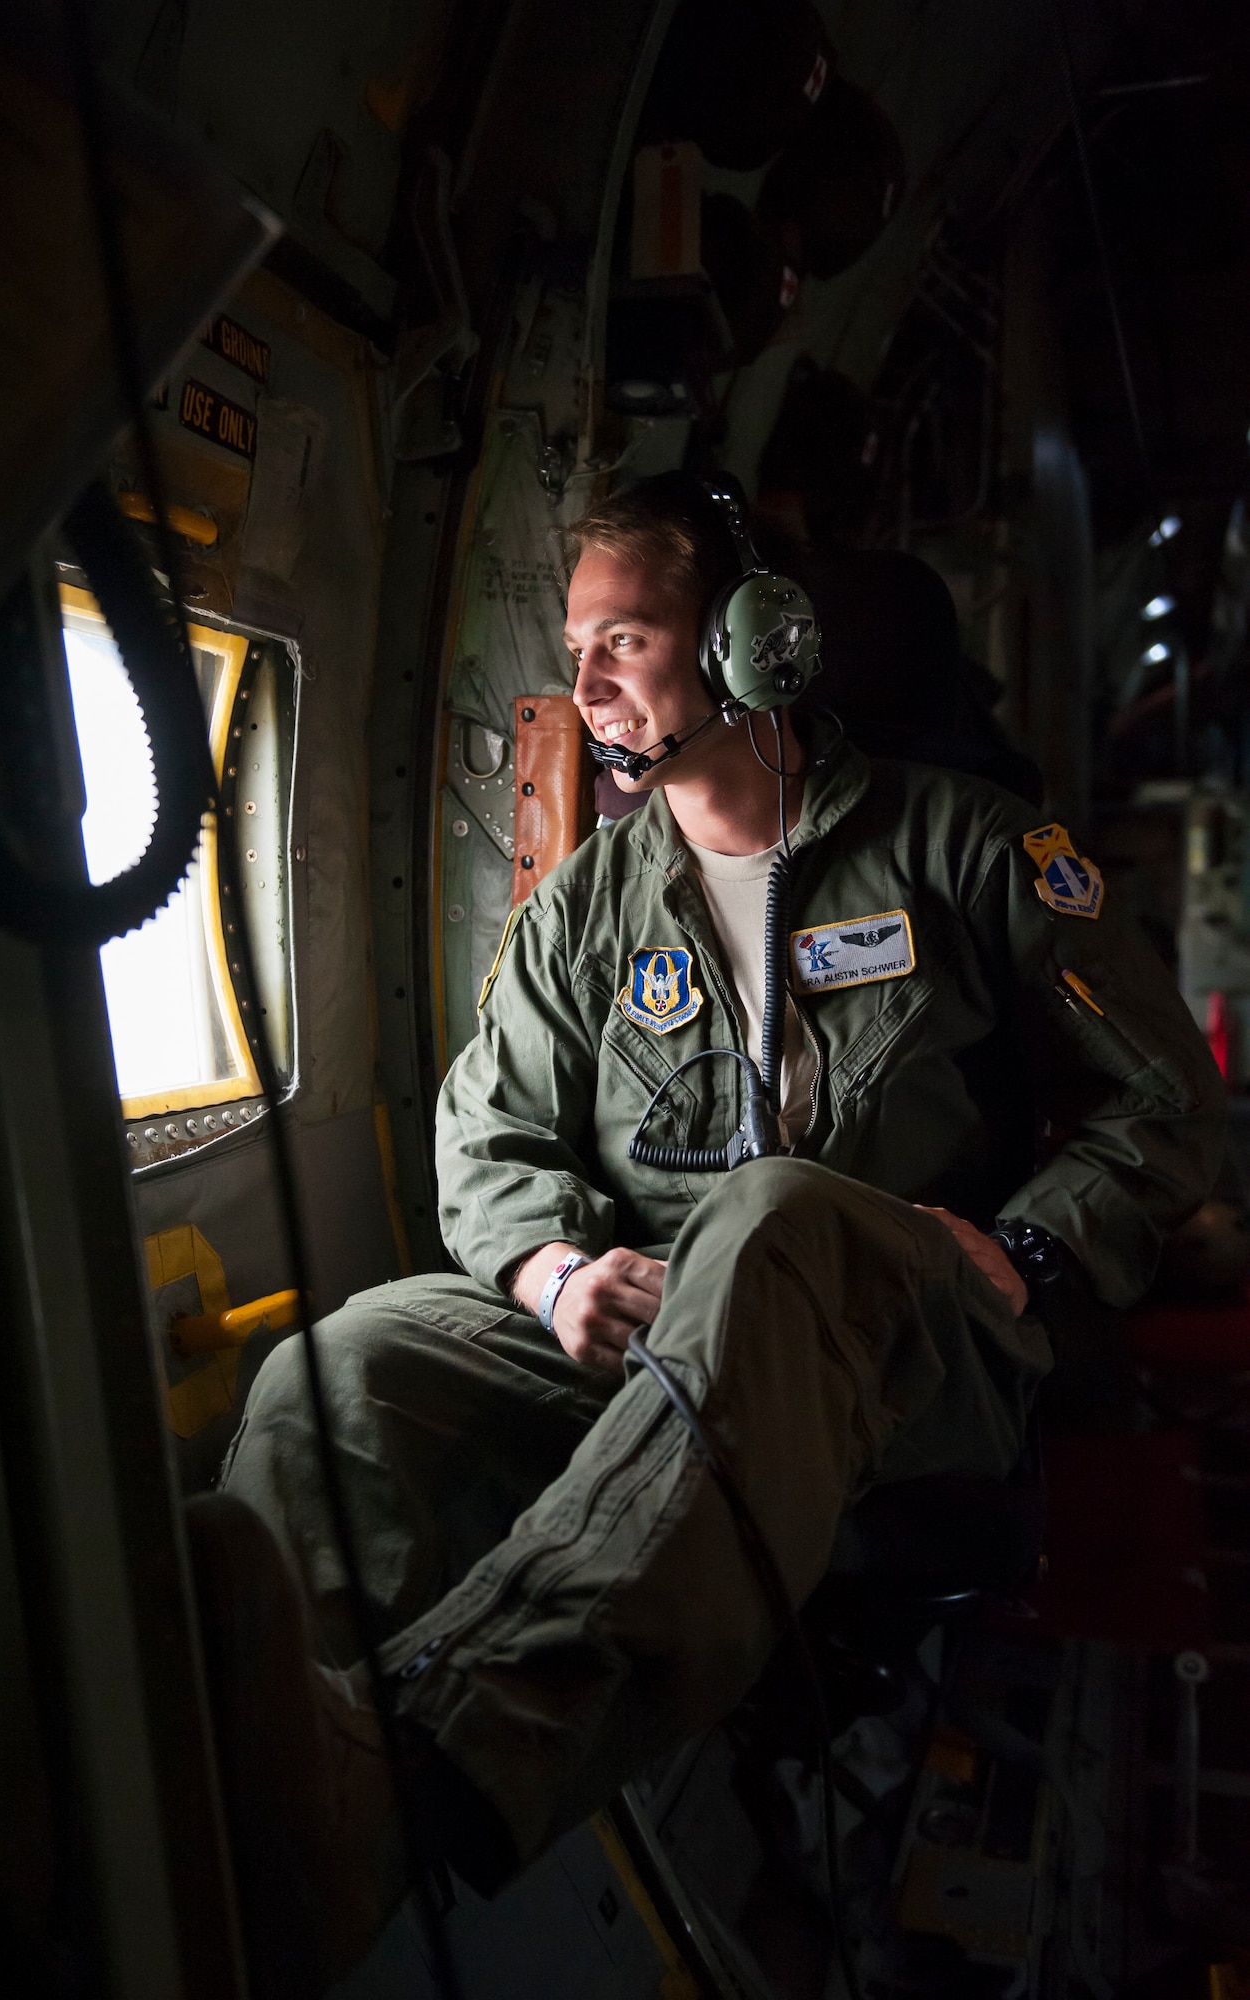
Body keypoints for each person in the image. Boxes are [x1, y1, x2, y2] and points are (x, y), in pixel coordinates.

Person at [195, 475, 1224, 1997]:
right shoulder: (591, 909)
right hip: (668, 1341)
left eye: (628, 638)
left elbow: (1164, 1093)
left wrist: (1037, 1252)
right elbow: (489, 1141)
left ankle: (410, 1783)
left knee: (775, 1212)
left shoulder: (966, 849)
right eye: (575, 643)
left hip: (896, 1348)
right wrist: (555, 1274)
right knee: (348, 1370)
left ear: (757, 646)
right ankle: (228, 1823)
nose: (590, 680)